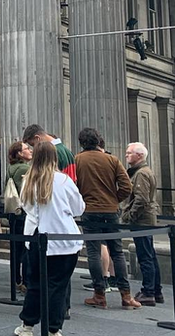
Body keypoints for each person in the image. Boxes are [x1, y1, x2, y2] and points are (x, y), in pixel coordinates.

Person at [15, 141, 85, 336]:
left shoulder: (28, 180)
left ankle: (27, 325)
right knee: (58, 287)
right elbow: (79, 208)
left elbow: (26, 207)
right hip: (63, 239)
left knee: (35, 285)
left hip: (37, 236)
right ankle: (54, 329)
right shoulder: (63, 181)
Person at [74, 127, 138, 309]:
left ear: (81, 142)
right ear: (98, 141)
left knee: (93, 252)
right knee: (117, 252)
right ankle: (126, 295)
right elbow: (127, 186)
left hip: (89, 210)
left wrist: (82, 200)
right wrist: (114, 199)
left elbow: (71, 185)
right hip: (111, 210)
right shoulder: (112, 159)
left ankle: (99, 295)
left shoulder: (77, 160)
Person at [121, 142, 162, 306]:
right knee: (149, 254)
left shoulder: (141, 174)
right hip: (145, 218)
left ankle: (149, 291)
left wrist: (130, 215)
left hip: (142, 220)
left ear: (139, 155)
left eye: (129, 152)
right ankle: (155, 290)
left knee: (145, 256)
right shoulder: (144, 172)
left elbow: (141, 199)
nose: (126, 155)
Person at [6, 141, 32, 294]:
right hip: (23, 212)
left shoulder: (11, 168)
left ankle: (15, 278)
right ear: (19, 154)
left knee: (16, 248)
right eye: (26, 149)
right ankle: (25, 281)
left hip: (13, 211)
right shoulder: (24, 168)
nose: (30, 150)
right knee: (25, 249)